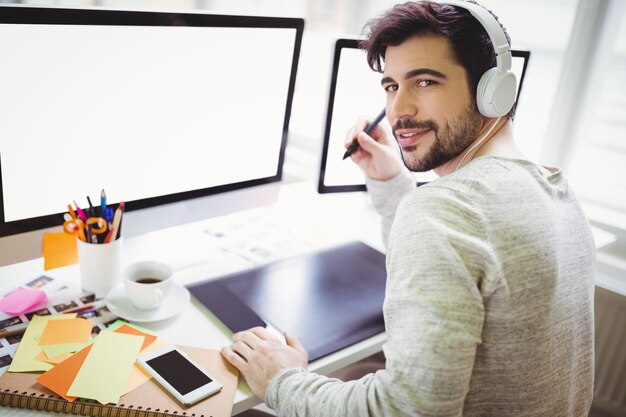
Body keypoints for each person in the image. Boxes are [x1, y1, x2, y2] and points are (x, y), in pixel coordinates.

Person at [221, 1, 596, 416]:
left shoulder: (444, 211)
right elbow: (459, 249)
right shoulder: (554, 188)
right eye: (391, 86)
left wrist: (281, 380)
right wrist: (388, 180)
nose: (399, 109)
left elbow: (403, 410)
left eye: (426, 82)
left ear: (494, 91)